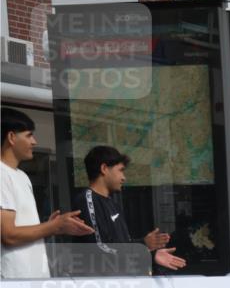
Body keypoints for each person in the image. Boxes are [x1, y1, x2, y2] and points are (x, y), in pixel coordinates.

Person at [1, 108, 93, 278]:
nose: (34, 142)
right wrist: (53, 226)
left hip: (31, 279)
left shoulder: (21, 176)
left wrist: (51, 227)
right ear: (11, 137)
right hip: (13, 281)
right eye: (29, 135)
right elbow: (8, 235)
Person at [72, 145, 186, 273]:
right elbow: (101, 247)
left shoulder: (112, 203)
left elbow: (122, 245)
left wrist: (148, 250)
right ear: (104, 168)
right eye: (120, 170)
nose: (124, 177)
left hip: (122, 284)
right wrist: (144, 248)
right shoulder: (87, 200)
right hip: (102, 286)